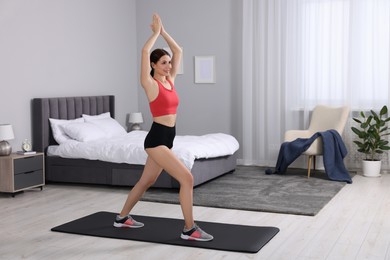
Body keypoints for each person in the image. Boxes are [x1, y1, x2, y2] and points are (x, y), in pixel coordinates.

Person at [113, 14, 213, 242]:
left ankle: (121, 217)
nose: (169, 66)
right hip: (156, 139)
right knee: (186, 178)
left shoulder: (170, 81)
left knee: (146, 181)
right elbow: (144, 52)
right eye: (164, 63)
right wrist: (155, 34)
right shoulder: (149, 84)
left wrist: (164, 30)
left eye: (169, 63)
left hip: (169, 137)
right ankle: (189, 229)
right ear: (154, 66)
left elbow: (179, 51)